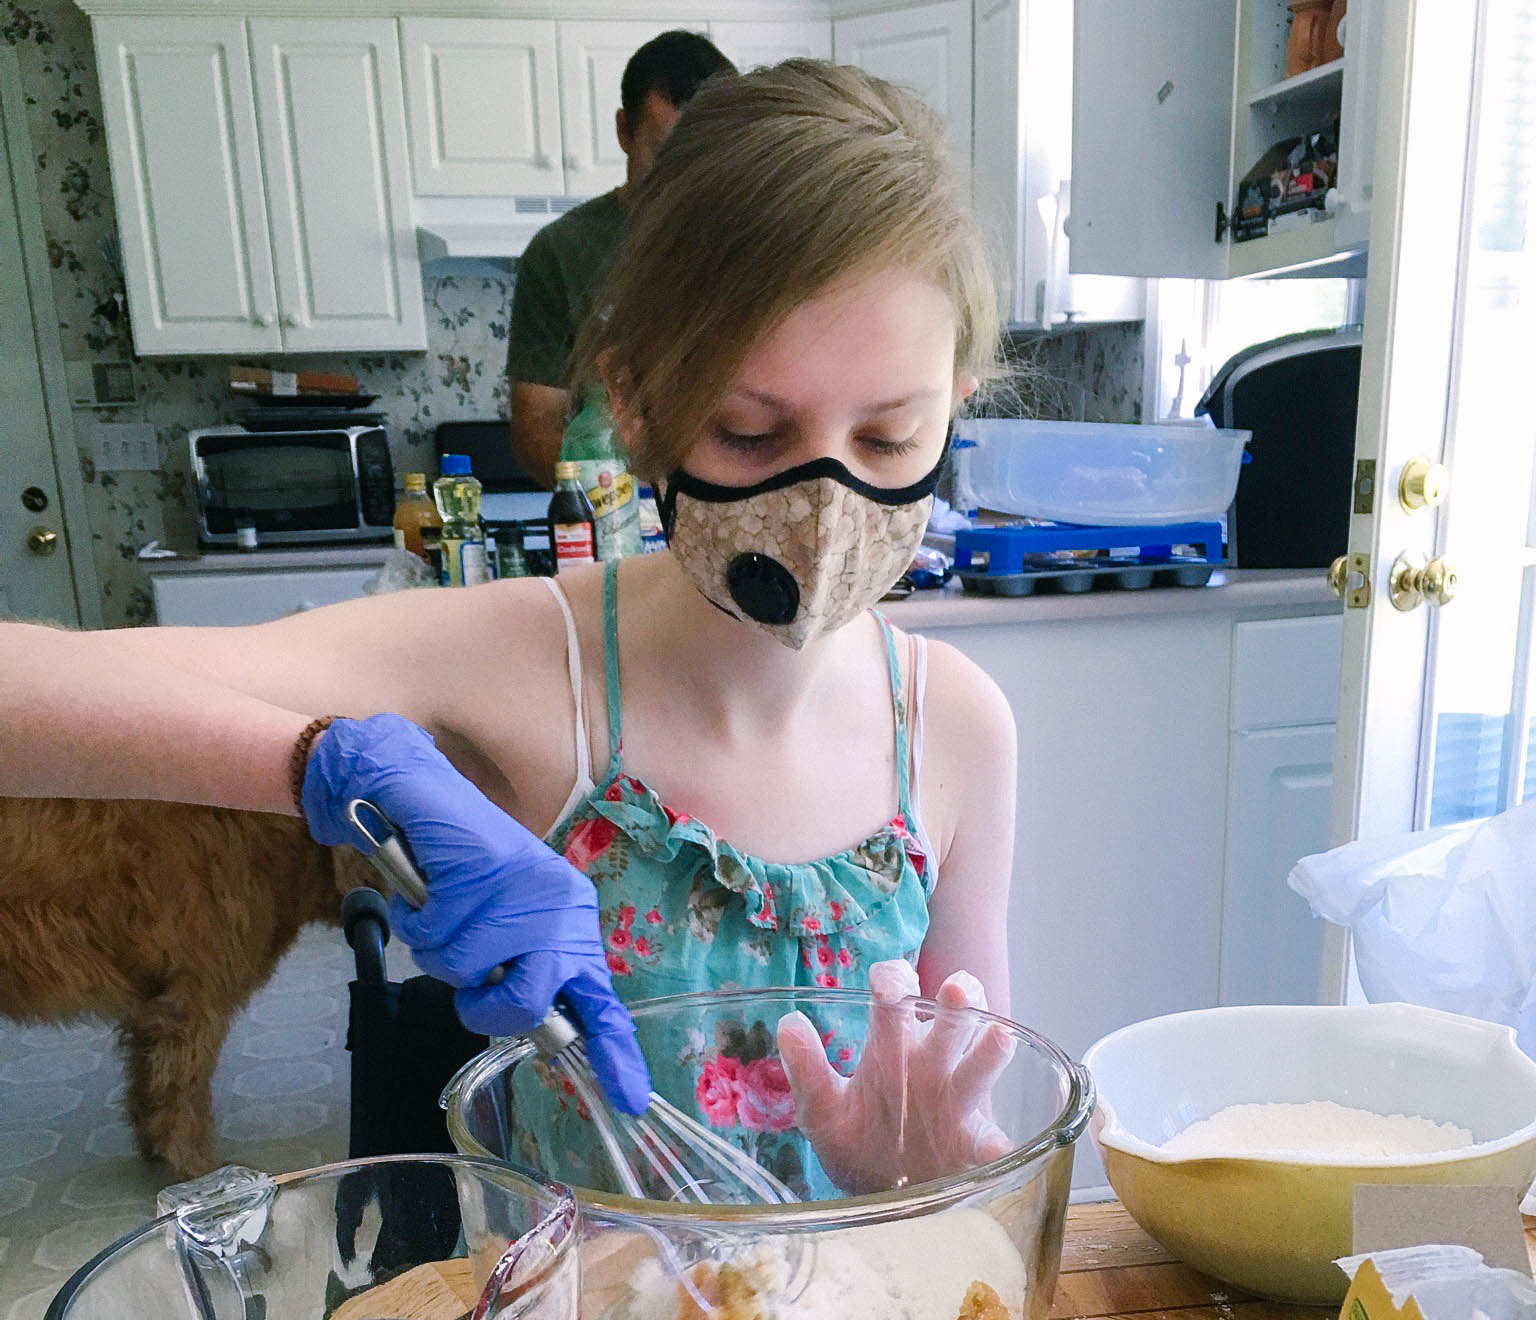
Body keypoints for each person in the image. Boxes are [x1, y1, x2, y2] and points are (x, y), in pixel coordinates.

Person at [0, 61, 1016, 1195]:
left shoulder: (957, 726)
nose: (825, 513)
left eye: (886, 440)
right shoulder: (524, 662)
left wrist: (913, 1179)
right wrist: (314, 762)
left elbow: (963, 1112)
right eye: (744, 434)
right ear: (633, 405)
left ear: (957, 399)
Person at [506, 29, 733, 487]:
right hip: (618, 517)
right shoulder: (560, 253)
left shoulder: (757, 242)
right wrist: (634, 486)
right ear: (624, 130)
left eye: (704, 154)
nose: (684, 177)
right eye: (666, 154)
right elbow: (536, 433)